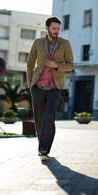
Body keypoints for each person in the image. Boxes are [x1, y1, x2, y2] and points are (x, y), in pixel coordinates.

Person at [27, 16, 74, 161]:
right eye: (53, 28)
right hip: (38, 86)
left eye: (58, 29)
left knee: (49, 117)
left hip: (55, 86)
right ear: (47, 28)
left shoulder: (65, 44)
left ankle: (43, 149)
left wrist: (57, 65)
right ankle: (43, 146)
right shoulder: (38, 43)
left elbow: (71, 65)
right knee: (39, 119)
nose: (56, 31)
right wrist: (30, 84)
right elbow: (30, 64)